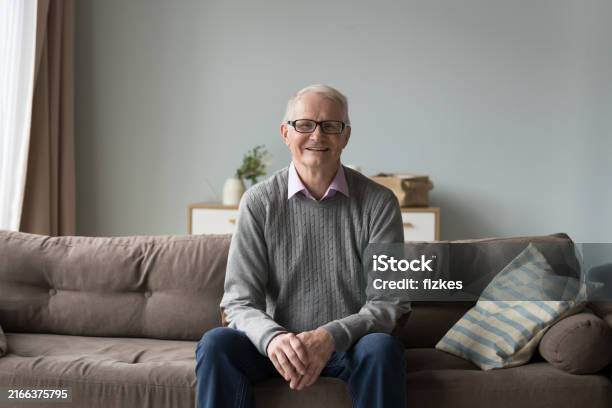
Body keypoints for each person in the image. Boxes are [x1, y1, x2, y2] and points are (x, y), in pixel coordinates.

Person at [195, 84, 410, 408]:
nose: (317, 136)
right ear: (285, 133)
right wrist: (274, 339)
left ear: (346, 136)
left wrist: (328, 337)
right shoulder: (258, 202)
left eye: (329, 126)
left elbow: (389, 302)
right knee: (216, 344)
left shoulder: (379, 203)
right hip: (274, 350)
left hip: (347, 347)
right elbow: (239, 302)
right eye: (304, 124)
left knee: (381, 348)